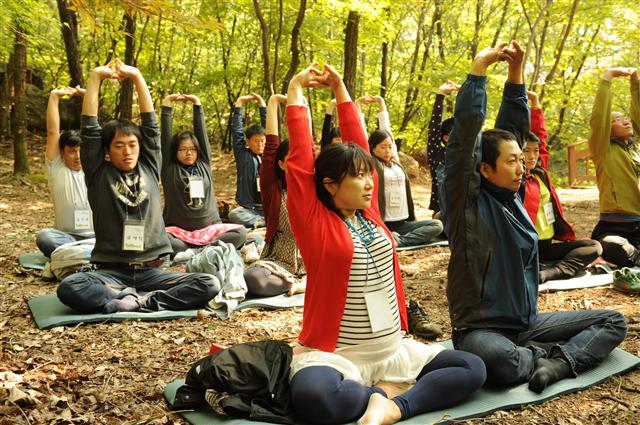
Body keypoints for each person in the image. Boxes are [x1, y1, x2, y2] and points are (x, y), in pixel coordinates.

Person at [285, 63, 486, 425]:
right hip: (339, 356)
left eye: (368, 175)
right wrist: (296, 92)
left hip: (393, 351)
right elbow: (299, 164)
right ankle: (383, 392)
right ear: (329, 184)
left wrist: (342, 90)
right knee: (313, 396)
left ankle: (392, 406)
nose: (368, 184)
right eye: (357, 177)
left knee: (472, 367)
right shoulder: (314, 222)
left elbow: (359, 143)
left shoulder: (371, 214)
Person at [443, 41, 627, 393]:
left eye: (521, 159)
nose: (521, 166)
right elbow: (464, 139)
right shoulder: (466, 204)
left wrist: (516, 74)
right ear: (484, 168)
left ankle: (558, 363)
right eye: (510, 161)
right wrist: (477, 73)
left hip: (526, 325)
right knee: (501, 362)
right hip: (480, 331)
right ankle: (543, 356)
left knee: (613, 320)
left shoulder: (513, 198)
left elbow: (513, 127)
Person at [56, 59, 219, 314]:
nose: (127, 151)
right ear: (107, 151)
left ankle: (142, 301)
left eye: (132, 144)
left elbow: (151, 127)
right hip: (111, 274)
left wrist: (137, 76)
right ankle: (121, 296)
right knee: (70, 287)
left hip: (153, 271)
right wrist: (95, 77)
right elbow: (90, 129)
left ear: (140, 147)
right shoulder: (99, 174)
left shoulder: (151, 168)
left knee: (208, 283)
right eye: (119, 146)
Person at [520, 90, 601, 282]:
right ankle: (544, 268)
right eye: (525, 151)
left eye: (535, 151)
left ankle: (552, 272)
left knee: (593, 246)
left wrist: (535, 103)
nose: (532, 156)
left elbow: (541, 139)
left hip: (546, 245)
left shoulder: (540, 172)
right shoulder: (512, 179)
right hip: (523, 247)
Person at [160, 93, 246, 256]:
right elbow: (165, 137)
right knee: (163, 239)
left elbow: (202, 134)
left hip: (210, 230)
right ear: (175, 152)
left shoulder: (204, 164)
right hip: (179, 234)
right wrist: (167, 104)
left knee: (240, 233)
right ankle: (207, 251)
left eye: (192, 149)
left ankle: (198, 251)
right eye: (183, 149)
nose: (188, 153)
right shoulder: (169, 168)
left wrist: (197, 104)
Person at [243, 94, 306, 297]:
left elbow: (307, 141)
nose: (298, 163)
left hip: (312, 259)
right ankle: (296, 284)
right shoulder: (275, 189)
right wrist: (272, 103)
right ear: (281, 164)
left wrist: (302, 108)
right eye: (291, 159)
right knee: (253, 279)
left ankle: (307, 282)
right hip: (279, 261)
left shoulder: (313, 188)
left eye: (301, 158)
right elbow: (270, 148)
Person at [365, 95, 443, 248]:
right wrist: (357, 108)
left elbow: (388, 132)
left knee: (437, 225)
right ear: (372, 148)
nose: (388, 150)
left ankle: (399, 240)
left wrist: (381, 102)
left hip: (404, 224)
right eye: (383, 147)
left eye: (389, 146)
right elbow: (362, 135)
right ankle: (391, 237)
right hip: (383, 223)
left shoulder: (396, 163)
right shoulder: (371, 164)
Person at [589, 67, 640, 267]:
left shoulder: (636, 148)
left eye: (625, 117)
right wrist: (606, 79)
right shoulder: (603, 149)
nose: (625, 120)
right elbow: (598, 120)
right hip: (615, 227)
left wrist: (635, 83)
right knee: (614, 246)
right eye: (617, 119)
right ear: (608, 130)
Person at [36, 86, 95, 258]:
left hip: (95, 237)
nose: (77, 156)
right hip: (66, 238)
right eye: (71, 151)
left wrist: (88, 95)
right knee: (45, 237)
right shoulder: (57, 166)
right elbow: (53, 132)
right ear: (62, 152)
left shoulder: (94, 167)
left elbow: (93, 128)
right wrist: (54, 96)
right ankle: (85, 256)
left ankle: (76, 256)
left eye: (80, 151)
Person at [228, 94, 267, 228]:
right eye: (256, 141)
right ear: (248, 142)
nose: (260, 144)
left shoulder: (270, 155)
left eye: (262, 141)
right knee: (234, 214)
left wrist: (262, 103)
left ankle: (267, 220)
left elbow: (270, 128)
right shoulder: (242, 155)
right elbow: (237, 131)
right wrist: (238, 104)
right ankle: (263, 222)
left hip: (270, 207)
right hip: (250, 209)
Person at [427, 81, 458, 219]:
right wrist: (440, 95)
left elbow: (473, 122)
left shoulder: (468, 154)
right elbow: (434, 127)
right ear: (446, 138)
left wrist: (467, 95)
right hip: (440, 212)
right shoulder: (437, 154)